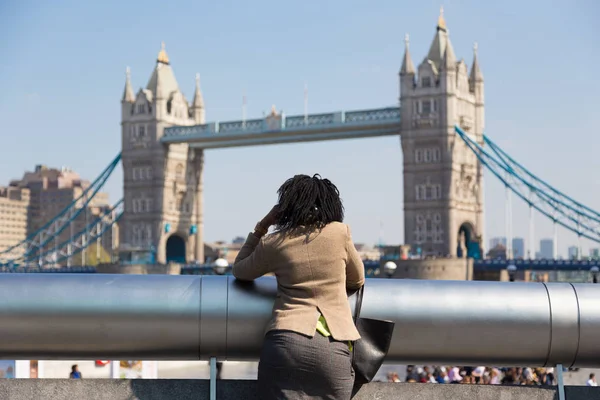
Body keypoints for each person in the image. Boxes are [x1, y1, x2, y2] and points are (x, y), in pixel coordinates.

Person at [233, 174, 365, 400]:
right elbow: (357, 279)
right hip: (333, 346)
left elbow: (240, 270)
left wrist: (262, 226)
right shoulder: (339, 233)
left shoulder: (274, 242)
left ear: (285, 208)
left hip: (285, 343)